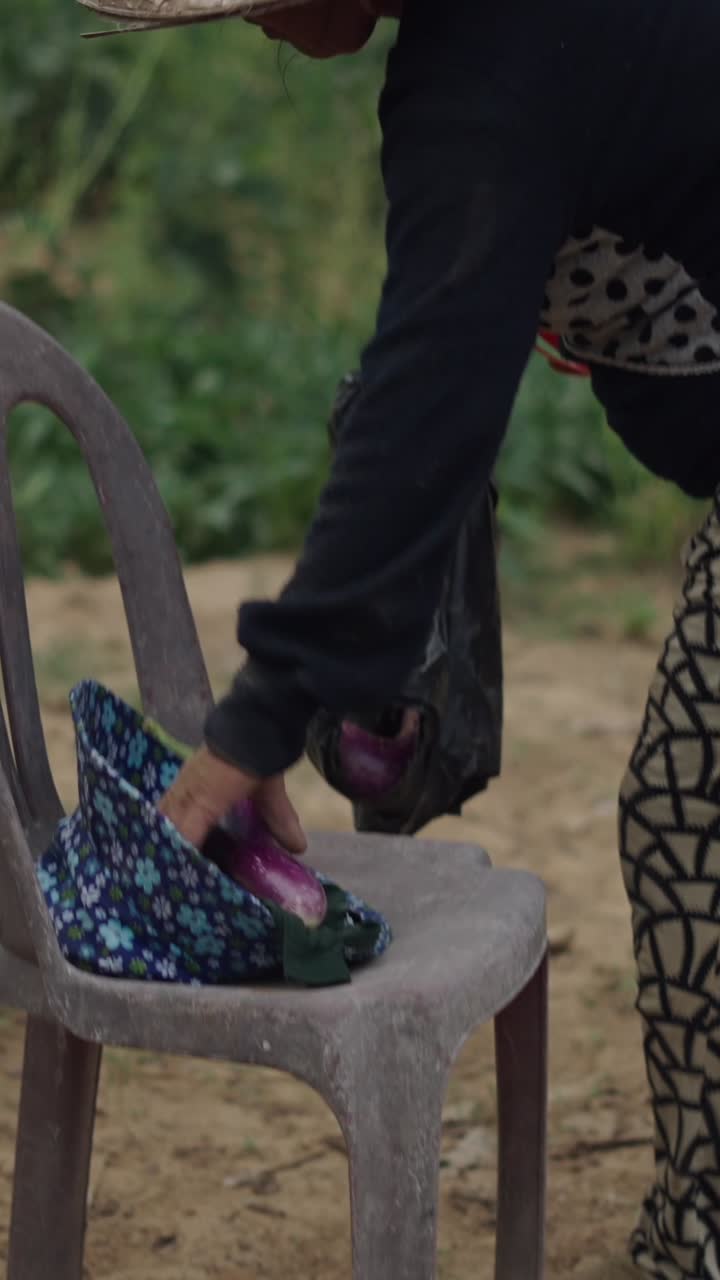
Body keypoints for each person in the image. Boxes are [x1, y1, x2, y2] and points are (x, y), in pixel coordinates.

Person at [159, 0, 720, 1274]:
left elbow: (432, 395)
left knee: (698, 813)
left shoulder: (496, 55)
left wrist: (264, 714)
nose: (256, 22)